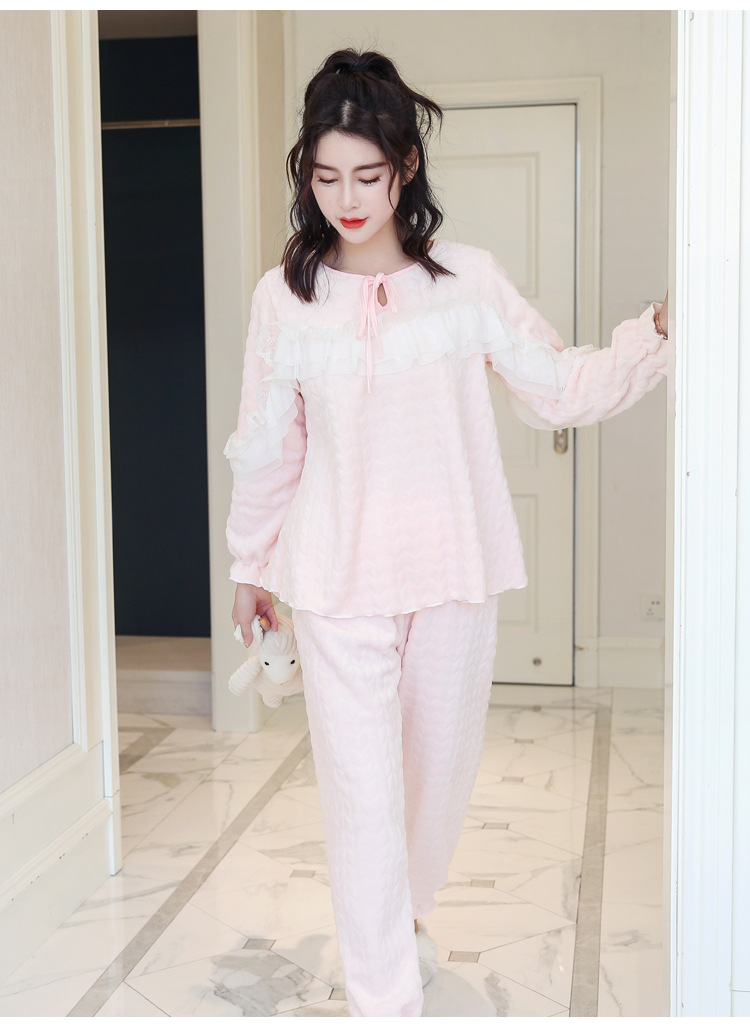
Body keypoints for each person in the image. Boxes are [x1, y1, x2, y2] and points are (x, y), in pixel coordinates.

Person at [226, 48, 670, 1018]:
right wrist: (250, 563)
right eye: (326, 176)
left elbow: (559, 388)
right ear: (307, 174)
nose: (347, 199)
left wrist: (658, 332)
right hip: (337, 577)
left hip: (452, 567)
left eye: (368, 175)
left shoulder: (468, 282)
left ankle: (405, 916)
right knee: (362, 794)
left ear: (407, 166)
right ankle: (384, 997)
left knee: (434, 781)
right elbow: (270, 444)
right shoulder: (282, 298)